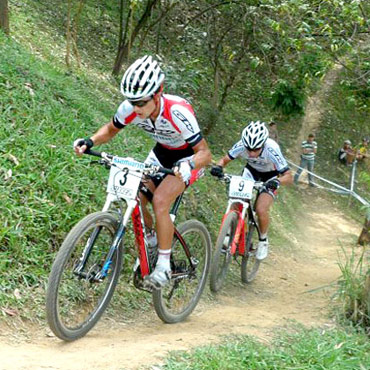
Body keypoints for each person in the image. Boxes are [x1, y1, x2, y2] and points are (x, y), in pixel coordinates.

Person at [73, 55, 212, 289]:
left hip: (187, 158)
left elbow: (205, 154)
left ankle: (164, 265)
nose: (135, 108)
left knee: (160, 201)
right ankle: (152, 238)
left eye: (141, 103)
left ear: (158, 93)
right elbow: (110, 129)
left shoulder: (177, 112)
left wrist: (189, 164)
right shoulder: (130, 108)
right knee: (134, 194)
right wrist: (91, 141)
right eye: (131, 101)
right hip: (161, 153)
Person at [210, 121, 293, 261]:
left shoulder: (272, 149)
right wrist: (218, 167)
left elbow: (289, 176)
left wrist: (277, 181)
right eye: (249, 149)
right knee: (237, 199)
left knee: (261, 209)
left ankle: (263, 240)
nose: (252, 153)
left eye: (256, 149)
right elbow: (224, 160)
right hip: (251, 172)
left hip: (270, 176)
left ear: (263, 144)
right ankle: (231, 232)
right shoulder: (242, 144)